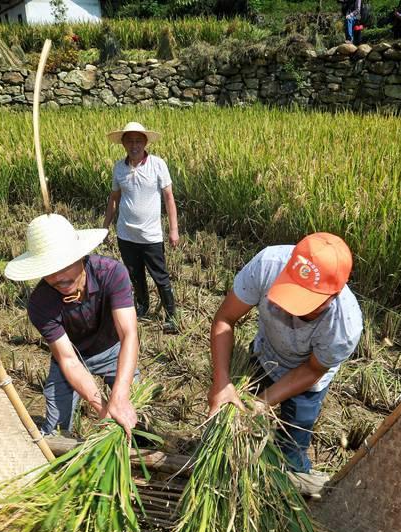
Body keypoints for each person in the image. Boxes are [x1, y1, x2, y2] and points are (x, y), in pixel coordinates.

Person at [207, 233, 363, 497]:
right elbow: (224, 319)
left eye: (308, 304)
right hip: (263, 356)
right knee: (234, 428)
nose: (293, 312)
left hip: (306, 380)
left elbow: (312, 370)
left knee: (292, 448)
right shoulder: (268, 263)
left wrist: (264, 401)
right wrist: (222, 382)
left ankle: (291, 496)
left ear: (333, 294)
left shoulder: (344, 326)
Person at [4, 214, 139, 438]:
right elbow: (69, 360)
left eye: (63, 264)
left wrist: (120, 395)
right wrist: (103, 409)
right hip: (73, 357)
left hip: (113, 349)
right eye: (48, 269)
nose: (57, 276)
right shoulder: (40, 303)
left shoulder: (112, 273)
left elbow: (129, 334)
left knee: (131, 407)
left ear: (81, 256)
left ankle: (137, 441)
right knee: (56, 427)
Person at [103, 122, 181, 334]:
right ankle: (143, 306)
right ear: (123, 144)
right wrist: (105, 226)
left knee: (160, 276)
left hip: (151, 236)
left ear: (145, 142)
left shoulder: (157, 164)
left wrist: (174, 229)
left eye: (138, 141)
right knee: (134, 275)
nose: (134, 145)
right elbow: (114, 198)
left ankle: (172, 316)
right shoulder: (119, 167)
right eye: (129, 141)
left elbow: (169, 198)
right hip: (126, 234)